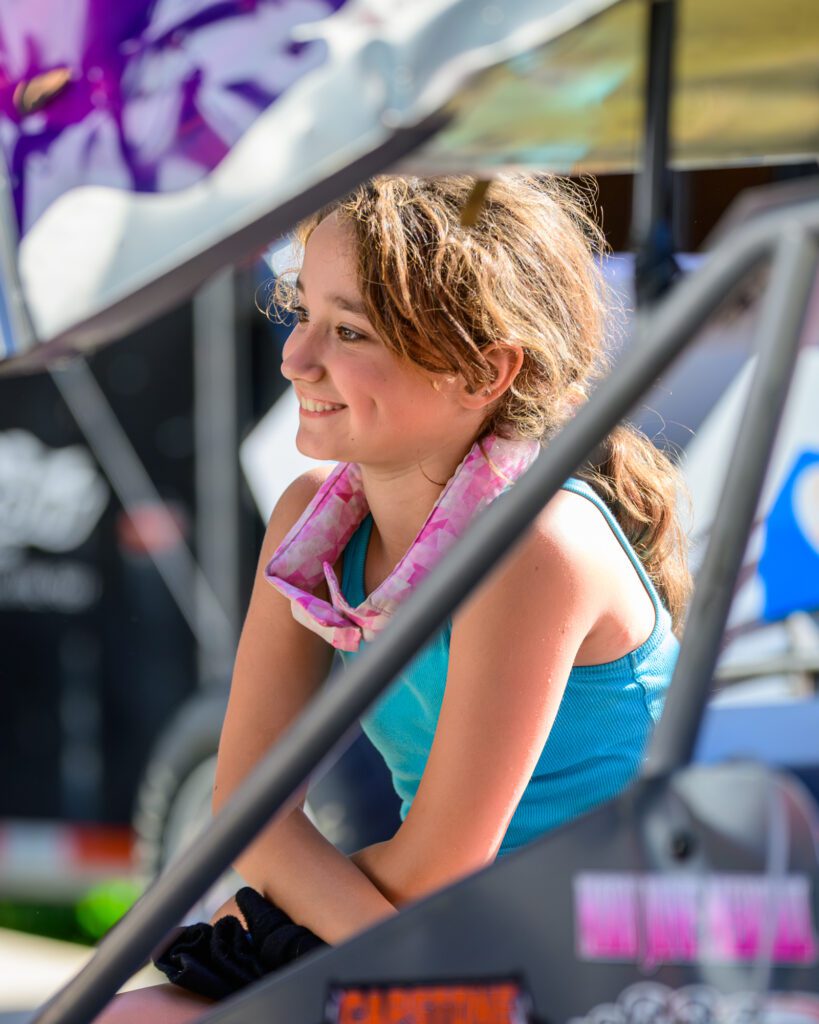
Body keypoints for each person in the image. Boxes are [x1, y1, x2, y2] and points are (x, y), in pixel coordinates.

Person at [95, 174, 690, 1022]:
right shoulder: (314, 517)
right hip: (435, 926)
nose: (294, 358)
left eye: (348, 331)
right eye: (301, 314)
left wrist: (272, 925)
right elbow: (243, 812)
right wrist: (280, 926)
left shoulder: (535, 540)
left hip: (604, 959)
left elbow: (440, 867)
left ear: (483, 370)